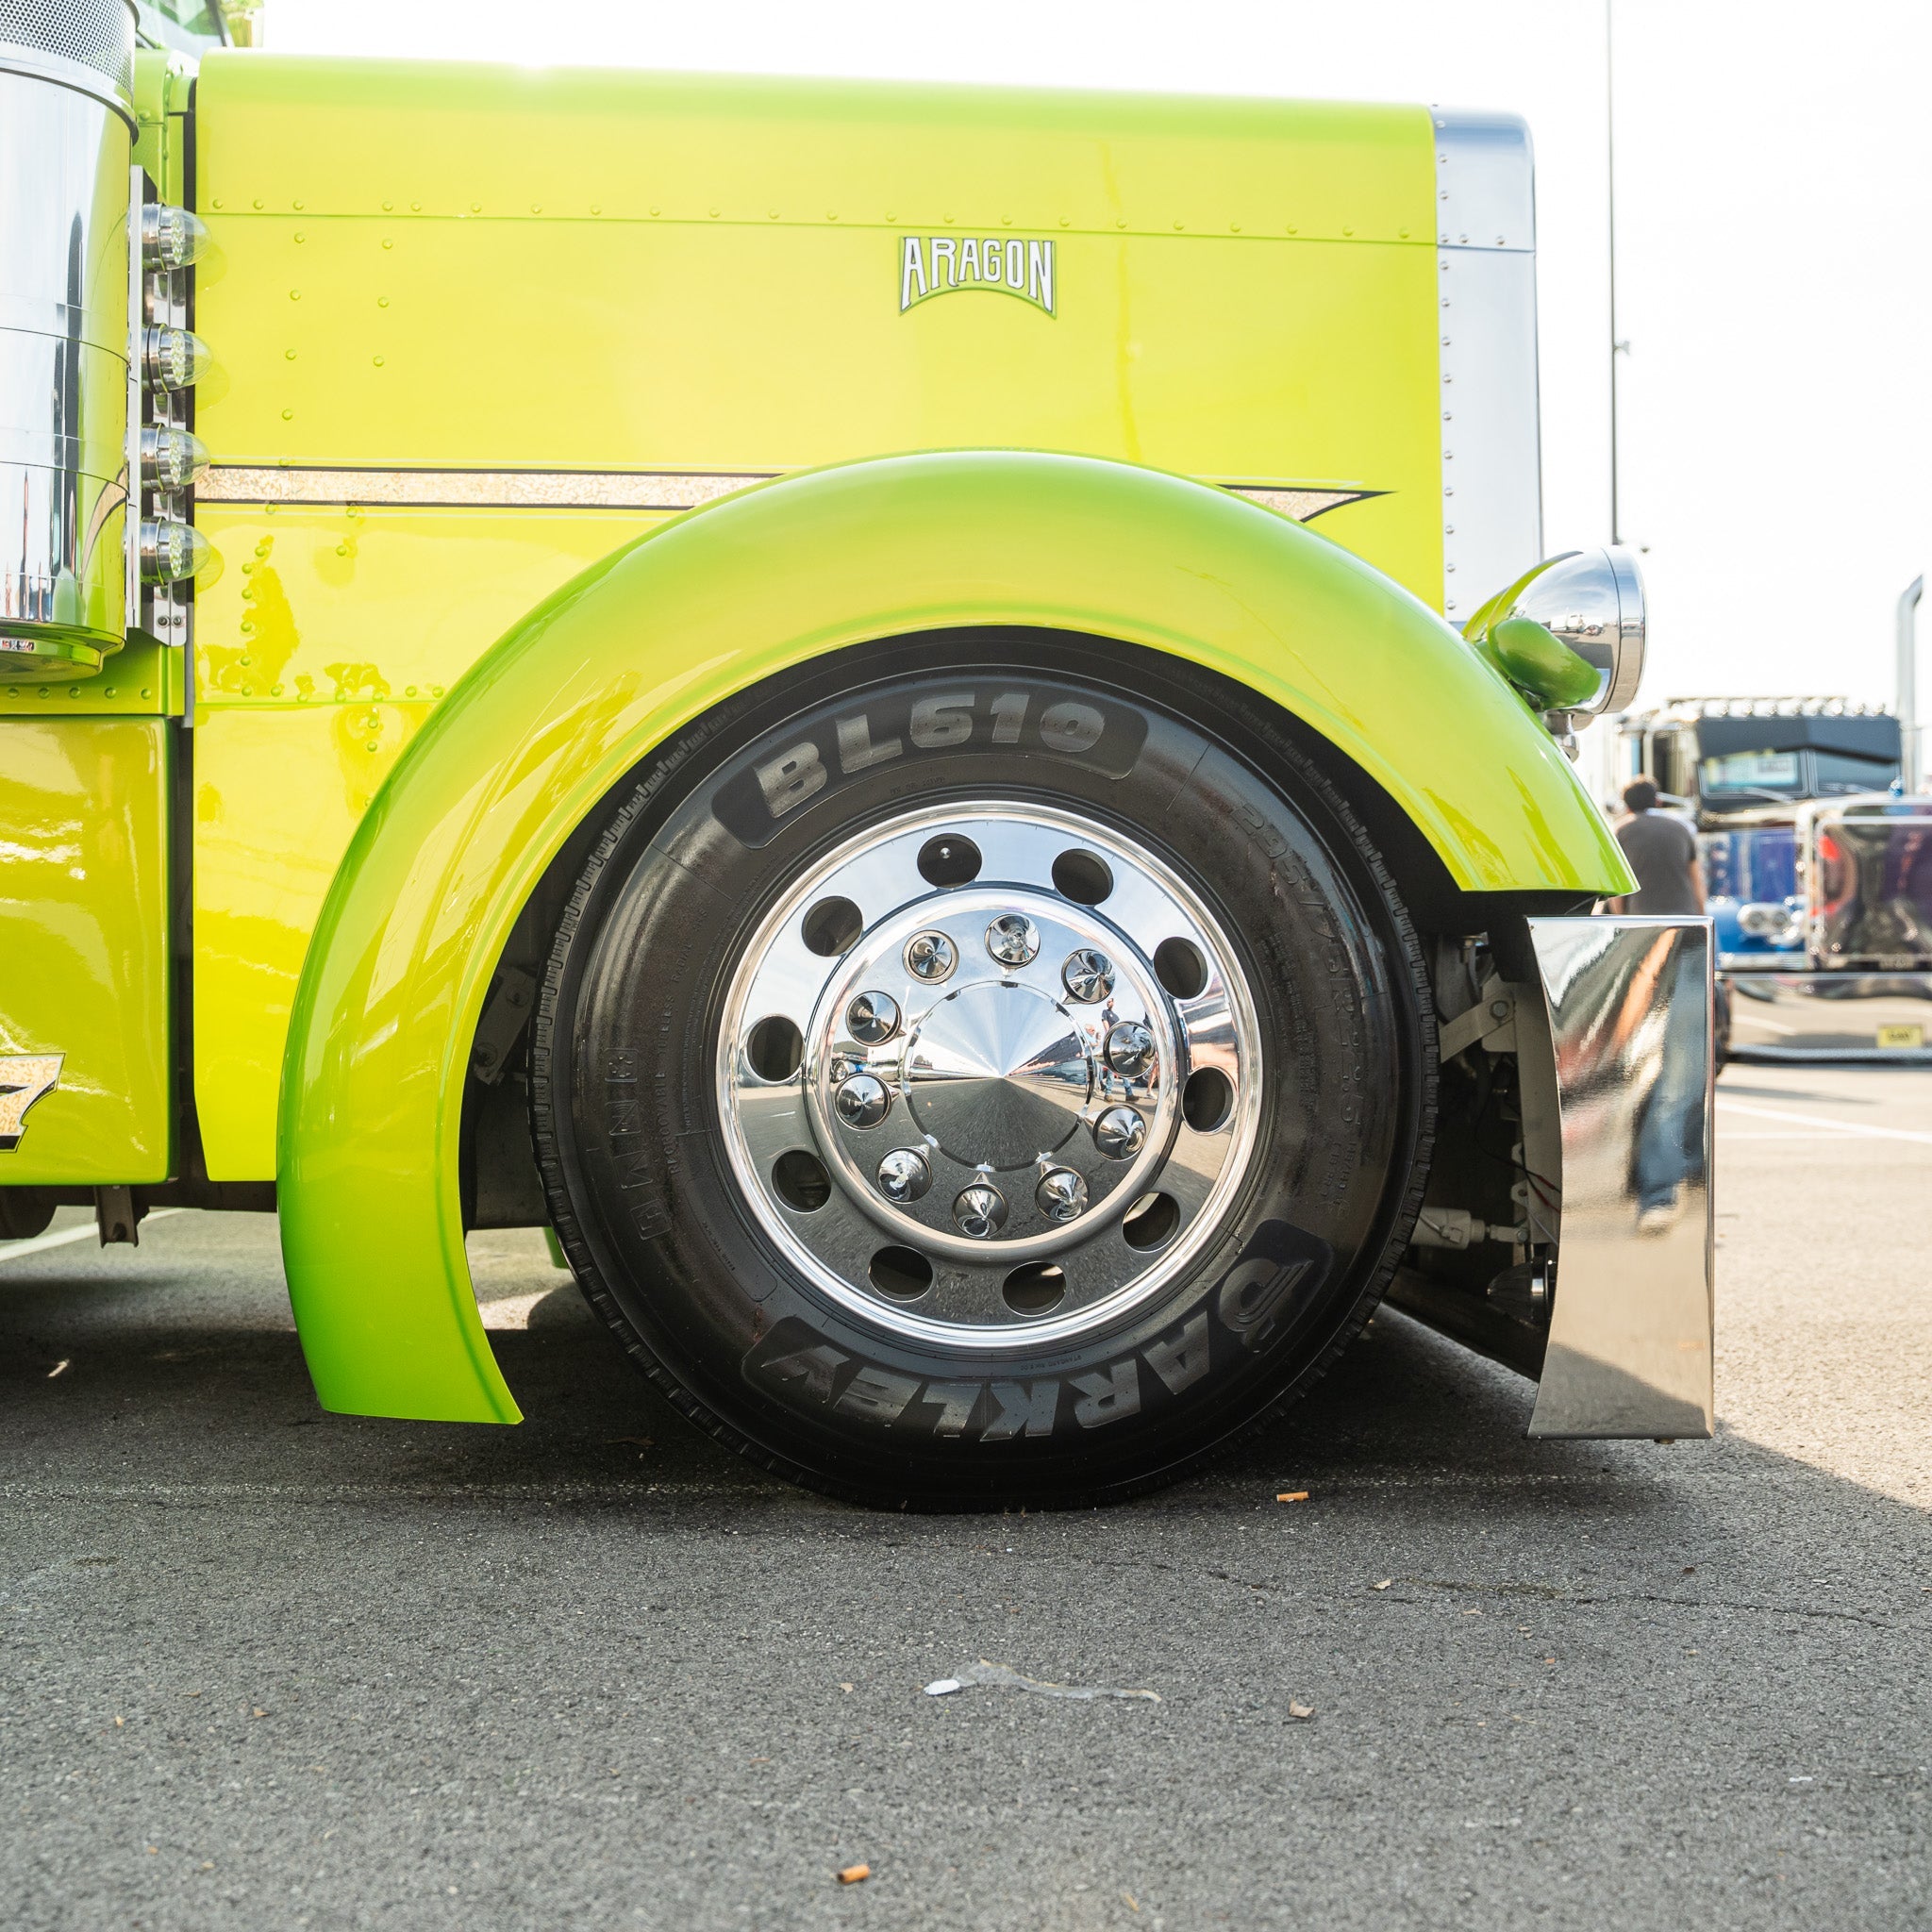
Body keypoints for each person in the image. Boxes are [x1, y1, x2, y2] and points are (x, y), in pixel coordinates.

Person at [1610, 779, 1704, 914]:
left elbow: (1617, 885)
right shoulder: (1682, 828)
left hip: (1641, 919)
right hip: (1683, 918)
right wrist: (1702, 916)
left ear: (1627, 805)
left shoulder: (1620, 830)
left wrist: (1620, 922)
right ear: (1657, 801)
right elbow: (1697, 880)